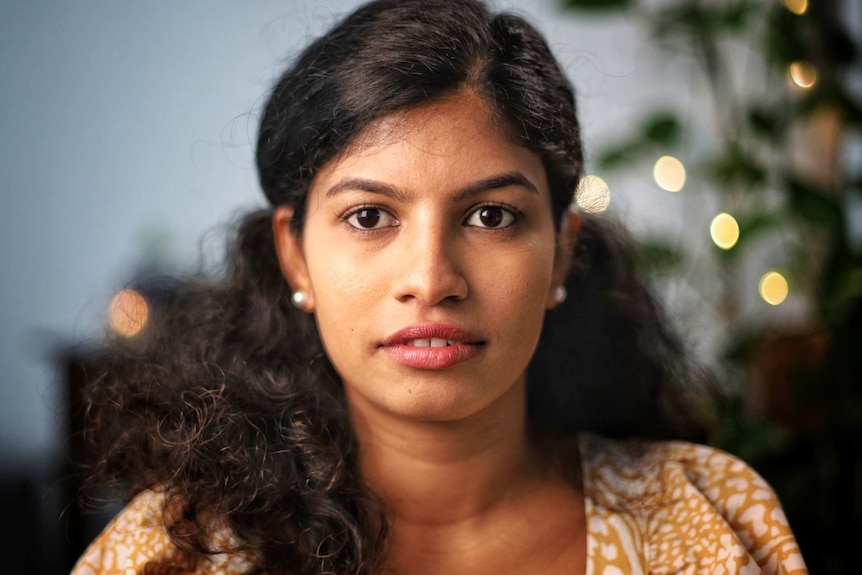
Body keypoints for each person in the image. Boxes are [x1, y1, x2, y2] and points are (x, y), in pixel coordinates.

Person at [71, 1, 808, 574]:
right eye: (369, 216)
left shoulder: (704, 520)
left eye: (492, 215)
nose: (430, 279)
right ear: (294, 257)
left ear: (560, 253)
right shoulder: (177, 551)